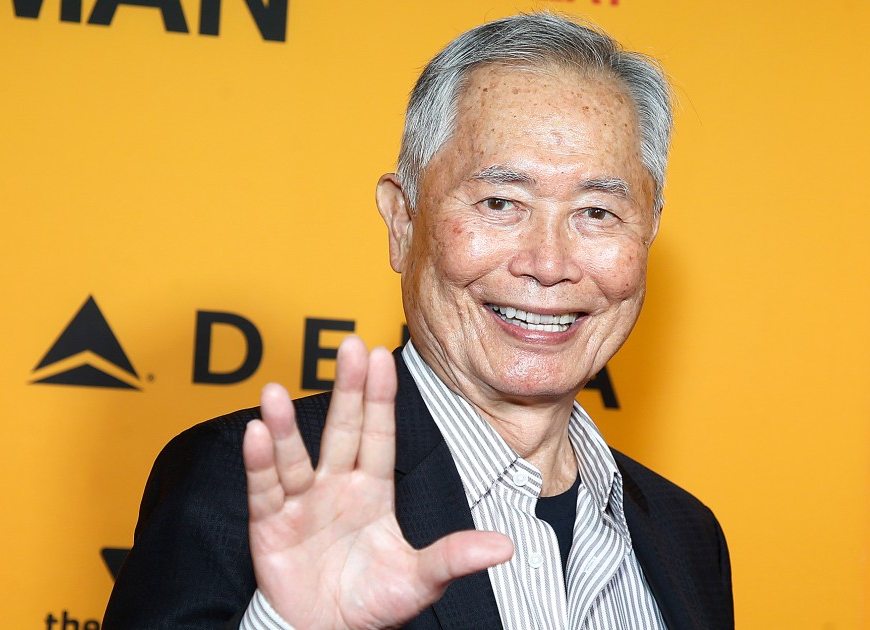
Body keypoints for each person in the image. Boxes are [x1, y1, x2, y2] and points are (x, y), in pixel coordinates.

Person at [104, 12, 733, 630]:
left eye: (597, 212)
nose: (549, 264)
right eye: (500, 203)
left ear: (648, 231)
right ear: (403, 222)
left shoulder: (687, 534)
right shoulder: (246, 485)